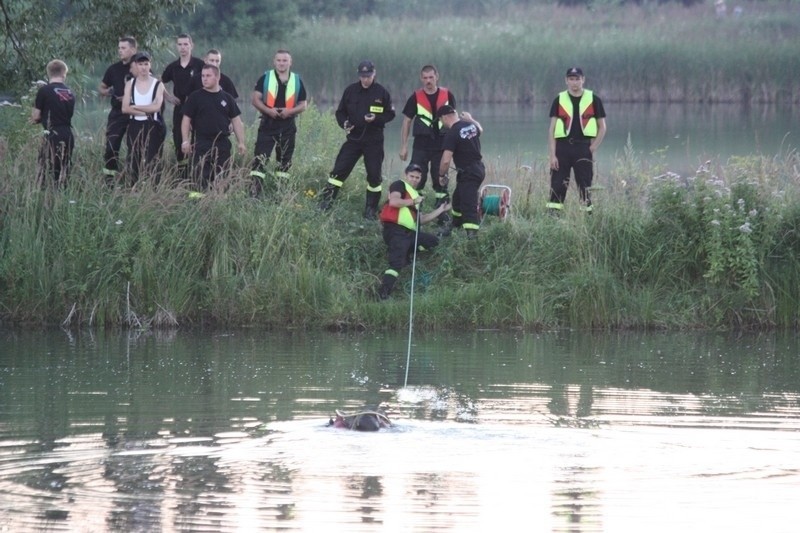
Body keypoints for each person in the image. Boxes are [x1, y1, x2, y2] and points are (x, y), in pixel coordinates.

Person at [319, 60, 395, 219]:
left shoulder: (382, 92)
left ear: (374, 74)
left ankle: (370, 210)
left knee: (374, 175)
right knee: (339, 170)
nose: (365, 79)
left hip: (374, 140)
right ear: (359, 75)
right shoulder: (350, 91)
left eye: (368, 76)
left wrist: (376, 118)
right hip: (353, 139)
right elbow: (340, 113)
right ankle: (325, 203)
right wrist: (345, 123)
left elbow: (390, 114)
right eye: (362, 76)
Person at [376, 163, 451, 300]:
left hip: (409, 234)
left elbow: (421, 220)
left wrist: (440, 210)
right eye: (412, 176)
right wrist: (414, 201)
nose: (415, 179)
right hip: (395, 230)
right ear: (406, 175)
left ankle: (407, 252)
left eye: (417, 177)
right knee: (396, 264)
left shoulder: (415, 194)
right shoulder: (399, 185)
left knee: (433, 241)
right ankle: (383, 295)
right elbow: (394, 201)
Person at [399, 65, 456, 223]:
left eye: (431, 77)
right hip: (421, 145)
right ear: (421, 78)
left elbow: (454, 120)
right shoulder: (416, 97)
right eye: (425, 78)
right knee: (416, 177)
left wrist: (456, 144)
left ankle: (442, 211)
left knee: (440, 178)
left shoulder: (447, 94)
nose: (428, 81)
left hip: (442, 144)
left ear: (437, 76)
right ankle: (414, 209)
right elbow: (406, 121)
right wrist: (403, 146)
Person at [547, 67, 607, 214]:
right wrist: (552, 155)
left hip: (583, 147)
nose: (574, 82)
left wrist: (592, 148)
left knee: (585, 186)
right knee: (557, 185)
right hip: (562, 149)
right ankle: (553, 219)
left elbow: (603, 127)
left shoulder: (594, 100)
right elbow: (552, 130)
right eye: (571, 79)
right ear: (566, 80)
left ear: (583, 80)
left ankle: (587, 218)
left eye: (577, 79)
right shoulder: (559, 100)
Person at [249, 49, 308, 195]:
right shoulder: (266, 77)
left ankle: (280, 194)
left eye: (285, 60)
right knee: (260, 159)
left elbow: (303, 104)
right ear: (274, 61)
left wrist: (290, 112)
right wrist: (268, 111)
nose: (282, 63)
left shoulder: (296, 80)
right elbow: (255, 99)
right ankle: (255, 194)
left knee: (284, 162)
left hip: (287, 124)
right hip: (268, 123)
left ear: (290, 62)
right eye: (279, 60)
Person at [180, 64, 247, 191]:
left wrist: (241, 142)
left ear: (217, 77)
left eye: (208, 76)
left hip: (222, 143)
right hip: (201, 142)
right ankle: (198, 203)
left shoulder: (227, 98)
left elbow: (237, 121)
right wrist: (185, 140)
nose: (204, 79)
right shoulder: (195, 97)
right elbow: (186, 120)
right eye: (203, 76)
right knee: (199, 176)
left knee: (222, 176)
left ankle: (219, 202)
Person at [437, 105, 484, 238]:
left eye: (440, 120)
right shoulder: (470, 125)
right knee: (457, 199)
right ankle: (455, 225)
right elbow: (481, 129)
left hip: (469, 173)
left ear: (444, 117)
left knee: (468, 205)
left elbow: (446, 160)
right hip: (478, 168)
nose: (442, 124)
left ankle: (472, 238)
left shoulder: (452, 133)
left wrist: (441, 175)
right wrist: (471, 119)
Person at [162, 34, 205, 176]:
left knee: (199, 140)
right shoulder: (173, 67)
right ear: (176, 47)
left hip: (199, 109)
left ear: (192, 45)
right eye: (180, 44)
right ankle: (182, 176)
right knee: (179, 140)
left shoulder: (199, 65)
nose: (183, 47)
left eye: (186, 44)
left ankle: (199, 173)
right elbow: (159, 81)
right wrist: (168, 96)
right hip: (180, 108)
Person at [121, 52, 166, 186]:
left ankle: (154, 191)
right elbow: (125, 108)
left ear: (150, 65)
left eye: (146, 64)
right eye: (140, 64)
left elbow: (157, 107)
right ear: (135, 66)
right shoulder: (130, 84)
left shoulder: (158, 84)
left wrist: (135, 107)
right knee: (134, 159)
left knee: (153, 160)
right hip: (135, 125)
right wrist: (146, 110)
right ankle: (133, 190)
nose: (143, 67)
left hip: (153, 125)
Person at [31, 59, 75, 188]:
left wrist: (39, 119)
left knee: (45, 168)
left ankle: (45, 196)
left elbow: (35, 116)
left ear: (48, 73)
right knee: (64, 168)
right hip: (68, 133)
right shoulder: (70, 92)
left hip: (51, 133)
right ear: (64, 74)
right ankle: (62, 195)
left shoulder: (44, 91)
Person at [99, 36, 137, 185]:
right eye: (119, 48)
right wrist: (109, 92)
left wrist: (129, 97)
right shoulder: (113, 69)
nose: (120, 51)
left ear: (133, 49)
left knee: (134, 148)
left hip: (135, 112)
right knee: (111, 147)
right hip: (117, 113)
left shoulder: (140, 67)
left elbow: (151, 86)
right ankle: (109, 180)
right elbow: (101, 87)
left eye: (123, 48)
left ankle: (132, 181)